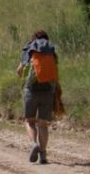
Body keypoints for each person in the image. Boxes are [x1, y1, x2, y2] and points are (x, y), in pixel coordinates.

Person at [16, 30, 58, 164]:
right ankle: (43, 155)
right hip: (48, 91)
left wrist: (23, 78)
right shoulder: (51, 50)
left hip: (31, 90)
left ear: (33, 38)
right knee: (43, 124)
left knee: (29, 121)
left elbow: (20, 70)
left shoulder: (29, 48)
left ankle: (34, 144)